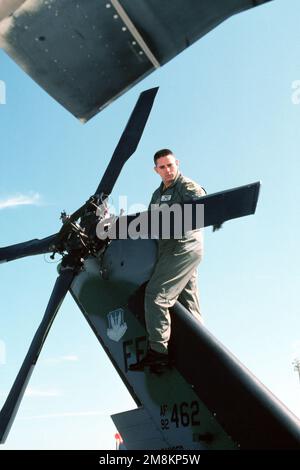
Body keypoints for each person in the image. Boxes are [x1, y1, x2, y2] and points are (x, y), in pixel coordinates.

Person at [130, 149, 206, 371]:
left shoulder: (185, 185)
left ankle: (158, 352)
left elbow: (202, 203)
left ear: (177, 164)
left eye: (170, 165)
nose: (168, 170)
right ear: (156, 170)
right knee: (188, 304)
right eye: (162, 167)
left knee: (155, 296)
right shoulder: (156, 195)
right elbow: (151, 224)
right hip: (168, 251)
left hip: (183, 247)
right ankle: (200, 350)